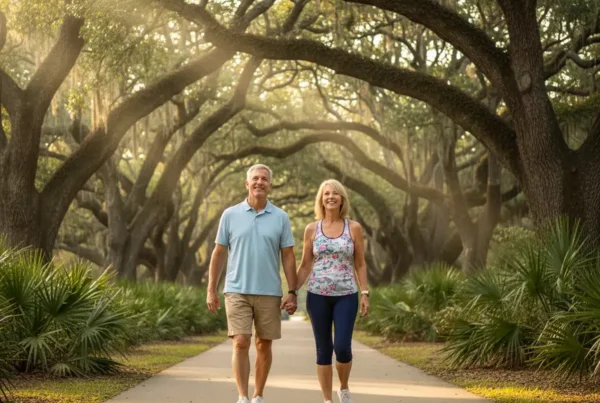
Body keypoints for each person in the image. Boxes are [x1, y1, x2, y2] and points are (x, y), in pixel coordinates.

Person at [206, 163, 298, 403]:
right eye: (255, 178)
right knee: (241, 341)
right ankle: (242, 396)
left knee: (263, 344)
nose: (259, 182)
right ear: (247, 184)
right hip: (236, 289)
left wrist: (292, 291)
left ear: (270, 185)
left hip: (269, 292)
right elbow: (219, 253)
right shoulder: (230, 214)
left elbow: (288, 256)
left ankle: (258, 395)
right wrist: (211, 289)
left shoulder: (280, 217)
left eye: (264, 179)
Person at [295, 179, 369, 403]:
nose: (330, 197)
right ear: (321, 199)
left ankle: (344, 388)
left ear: (342, 199)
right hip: (317, 295)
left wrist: (364, 293)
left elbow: (360, 263)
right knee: (323, 349)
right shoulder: (312, 229)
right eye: (326, 193)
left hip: (346, 294)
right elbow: (305, 265)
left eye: (335, 194)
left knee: (343, 347)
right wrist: (291, 291)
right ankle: (327, 399)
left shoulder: (353, 227)